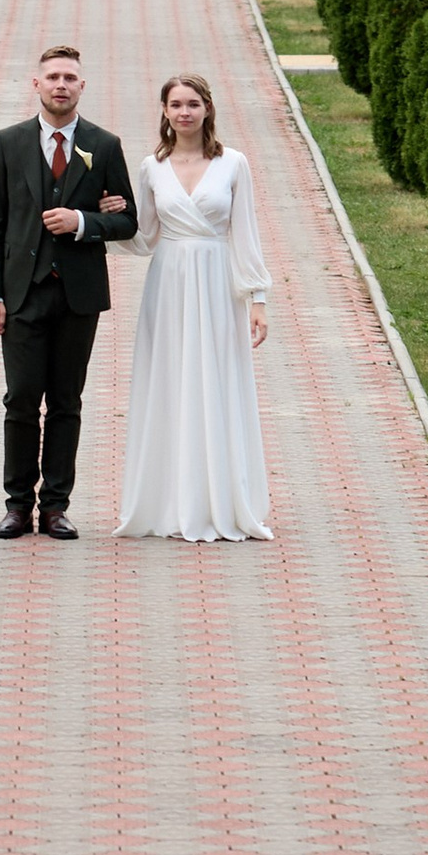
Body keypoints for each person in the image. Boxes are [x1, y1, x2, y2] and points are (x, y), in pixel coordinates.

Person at [0, 40, 137, 538]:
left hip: (77, 295)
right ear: (37, 84)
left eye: (70, 78)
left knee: (67, 400)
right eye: (53, 78)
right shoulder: (8, 142)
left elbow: (128, 220)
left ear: (82, 86)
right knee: (22, 398)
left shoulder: (104, 145)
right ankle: (18, 505)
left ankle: (56, 507)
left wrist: (83, 221)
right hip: (21, 293)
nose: (61, 85)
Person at [114, 71, 273, 543]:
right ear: (164, 112)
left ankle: (221, 500)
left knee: (218, 380)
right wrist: (103, 220)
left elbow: (245, 233)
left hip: (218, 281)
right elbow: (143, 238)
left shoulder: (233, 164)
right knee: (171, 380)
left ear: (207, 109)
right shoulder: (150, 168)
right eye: (176, 104)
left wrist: (257, 298)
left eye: (193, 103)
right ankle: (167, 500)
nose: (184, 112)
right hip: (168, 283)